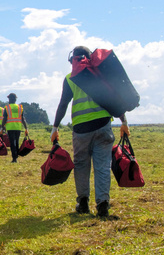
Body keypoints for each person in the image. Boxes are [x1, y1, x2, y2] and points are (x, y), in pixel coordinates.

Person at [50, 46, 129, 217]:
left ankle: (83, 203)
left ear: (73, 60)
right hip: (102, 125)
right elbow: (112, 98)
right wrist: (124, 121)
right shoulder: (99, 73)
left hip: (81, 130)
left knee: (81, 166)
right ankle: (102, 205)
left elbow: (63, 104)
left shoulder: (70, 78)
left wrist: (55, 128)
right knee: (102, 166)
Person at [1, 93, 28, 163]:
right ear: (15, 99)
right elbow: (23, 118)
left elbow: (5, 118)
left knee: (12, 143)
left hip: (10, 127)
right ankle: (16, 156)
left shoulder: (7, 108)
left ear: (9, 99)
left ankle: (14, 158)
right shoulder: (20, 107)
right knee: (17, 142)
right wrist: (26, 128)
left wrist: (2, 126)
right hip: (18, 127)